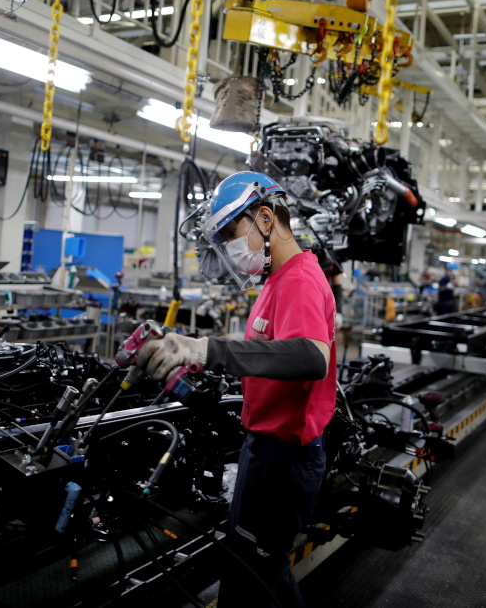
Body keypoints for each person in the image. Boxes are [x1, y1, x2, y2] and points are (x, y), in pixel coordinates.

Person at [135, 172, 336, 608]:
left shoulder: (300, 279)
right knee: (253, 572)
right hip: (263, 451)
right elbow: (266, 354)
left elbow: (312, 356)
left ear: (266, 218)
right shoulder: (276, 281)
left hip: (284, 460)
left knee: (257, 580)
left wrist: (210, 349)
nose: (228, 246)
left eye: (230, 232)